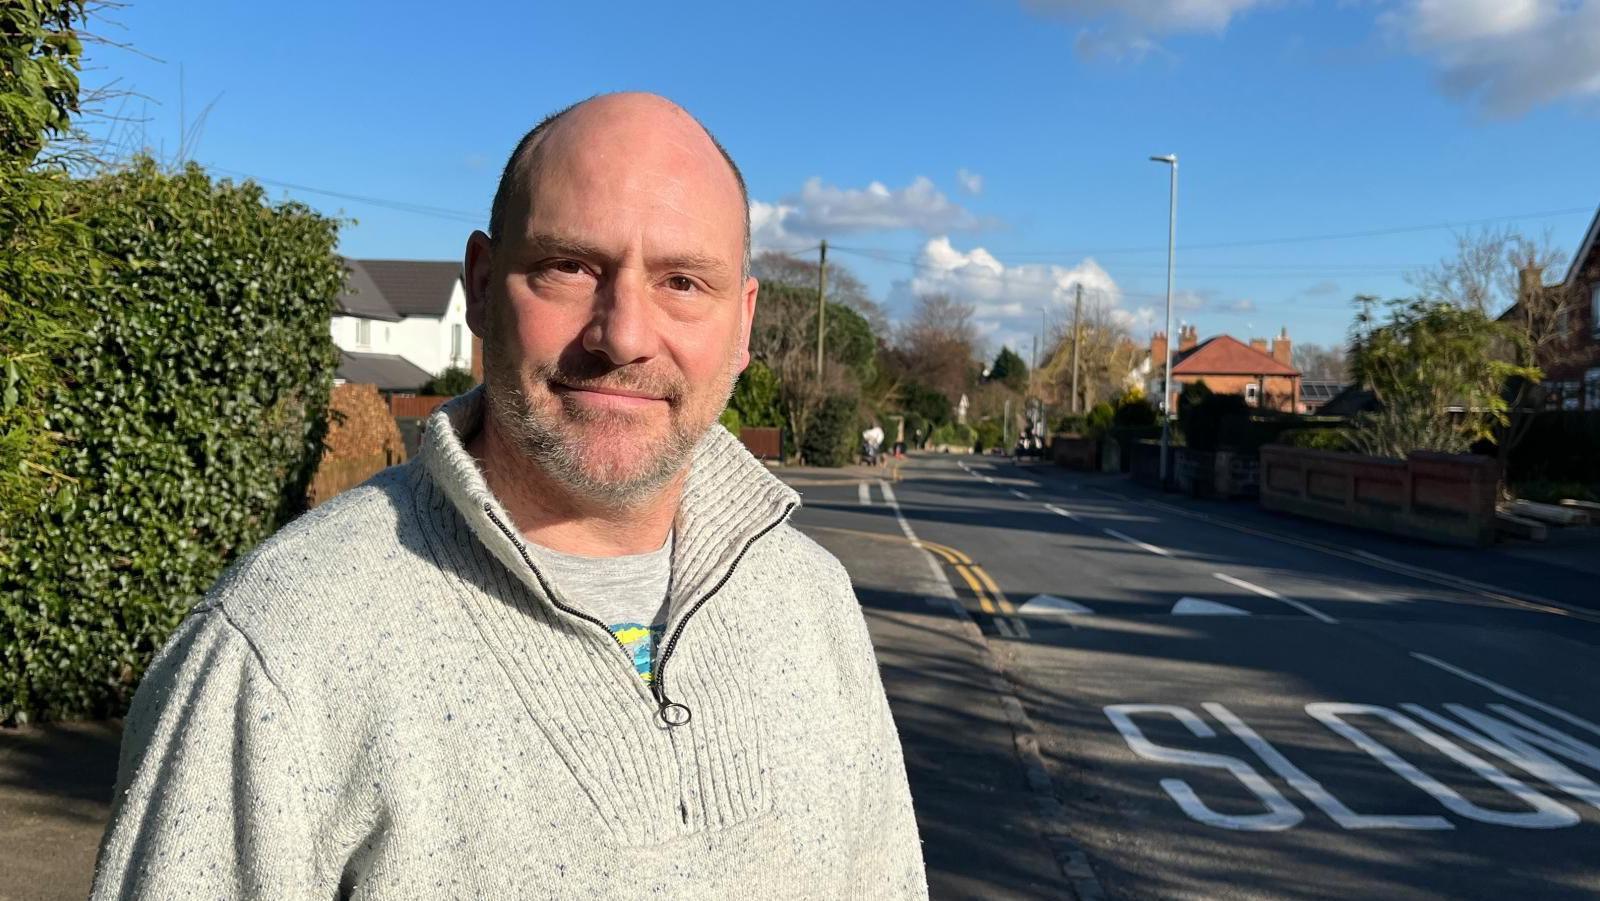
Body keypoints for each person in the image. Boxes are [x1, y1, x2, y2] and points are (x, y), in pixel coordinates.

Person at [92, 93, 927, 900]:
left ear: (742, 323)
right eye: (570, 267)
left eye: (682, 282)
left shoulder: (812, 602)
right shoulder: (279, 649)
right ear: (483, 287)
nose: (625, 336)